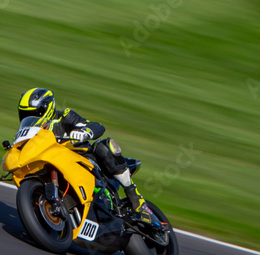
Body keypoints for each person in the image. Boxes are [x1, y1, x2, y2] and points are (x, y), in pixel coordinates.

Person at [16, 87, 158, 225]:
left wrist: (85, 131)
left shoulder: (64, 116)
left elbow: (97, 126)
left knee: (104, 146)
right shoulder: (31, 133)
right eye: (25, 115)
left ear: (46, 109)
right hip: (56, 165)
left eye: (34, 113)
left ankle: (135, 198)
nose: (29, 118)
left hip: (84, 159)